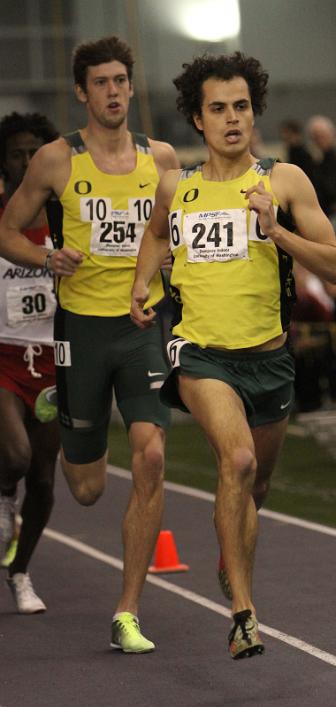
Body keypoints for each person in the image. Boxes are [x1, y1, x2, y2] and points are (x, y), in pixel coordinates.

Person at [130, 52, 336, 659]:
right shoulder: (180, 186)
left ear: (256, 112)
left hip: (270, 361)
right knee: (239, 460)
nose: (232, 119)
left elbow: (335, 268)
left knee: (258, 486)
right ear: (197, 120)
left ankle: (232, 551)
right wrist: (140, 287)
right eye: (218, 109)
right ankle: (244, 614)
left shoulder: (285, 180)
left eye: (242, 107)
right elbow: (154, 233)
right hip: (202, 357)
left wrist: (276, 230)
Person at [0, 36, 179, 652]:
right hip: (79, 330)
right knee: (86, 489)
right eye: (99, 82)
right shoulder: (54, 160)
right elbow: (5, 231)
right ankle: (66, 402)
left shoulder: (163, 158)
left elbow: (173, 235)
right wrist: (48, 255)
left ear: (132, 87)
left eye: (119, 82)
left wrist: (162, 274)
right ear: (82, 92)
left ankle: (127, 611)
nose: (111, 92)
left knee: (151, 457)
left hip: (139, 327)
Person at [0, 112, 59, 613]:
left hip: (55, 363)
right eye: (16, 153)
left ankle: (20, 572)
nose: (25, 162)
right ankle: (2, 500)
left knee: (43, 480)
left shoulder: (66, 219)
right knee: (15, 457)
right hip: (3, 357)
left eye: (33, 153)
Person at [306, 115, 336, 220]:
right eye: (315, 137)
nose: (319, 140)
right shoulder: (315, 161)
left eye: (322, 136)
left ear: (332, 135)